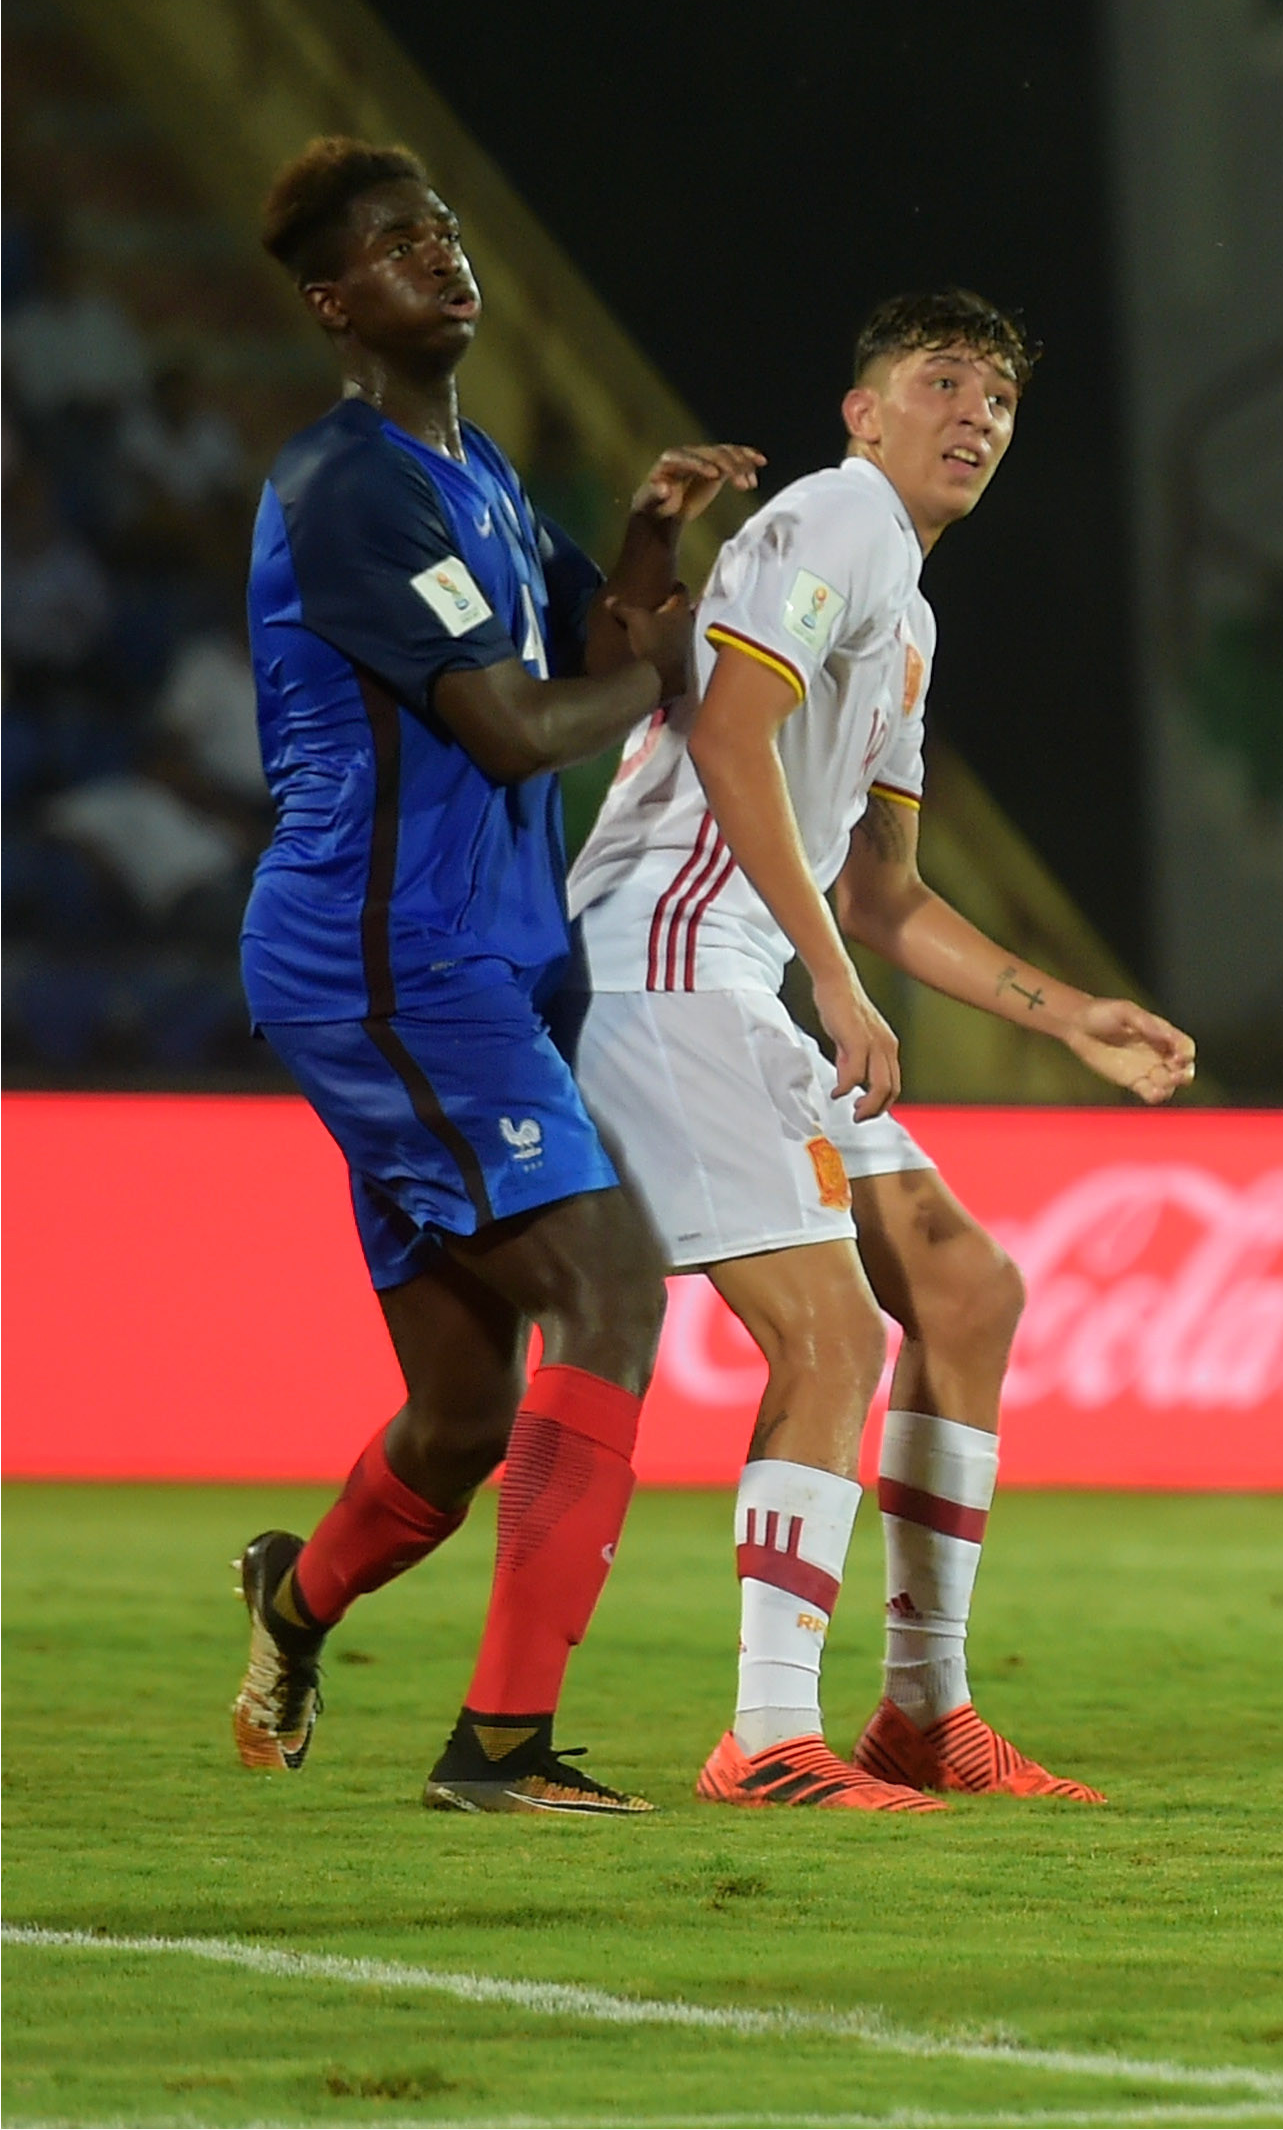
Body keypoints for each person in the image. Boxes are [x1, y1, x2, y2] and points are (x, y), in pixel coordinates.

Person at [565, 290, 1194, 1810]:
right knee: (834, 1338)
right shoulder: (831, 522)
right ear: (863, 411)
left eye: (1000, 401)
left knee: (967, 1293)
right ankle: (768, 1735)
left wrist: (1068, 1015)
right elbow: (725, 741)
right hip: (661, 963)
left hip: (744, 976)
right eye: (944, 381)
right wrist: (841, 994)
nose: (976, 415)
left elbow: (885, 893)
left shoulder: (903, 606)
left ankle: (922, 1712)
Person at [222, 137, 762, 1815]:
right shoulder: (348, 488)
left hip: (487, 960)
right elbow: (519, 724)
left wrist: (653, 542)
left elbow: (594, 649)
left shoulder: (478, 470)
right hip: (394, 958)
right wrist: (666, 675)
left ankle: (290, 1603)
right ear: (335, 302)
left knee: (459, 1417)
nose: (438, 257)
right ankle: (500, 1749)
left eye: (442, 228)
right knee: (614, 1288)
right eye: (393, 246)